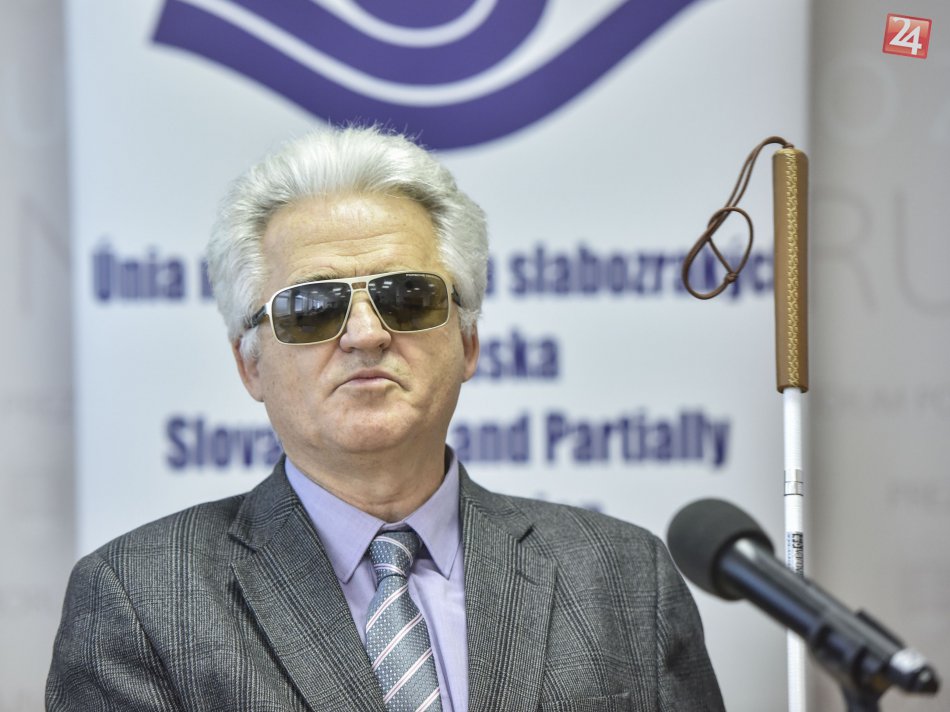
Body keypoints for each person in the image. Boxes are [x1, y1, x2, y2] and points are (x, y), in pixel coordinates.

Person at [47, 125, 725, 711]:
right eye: (313, 307)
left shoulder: (623, 577)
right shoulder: (139, 601)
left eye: (407, 297)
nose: (367, 335)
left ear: (468, 341)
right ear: (249, 364)